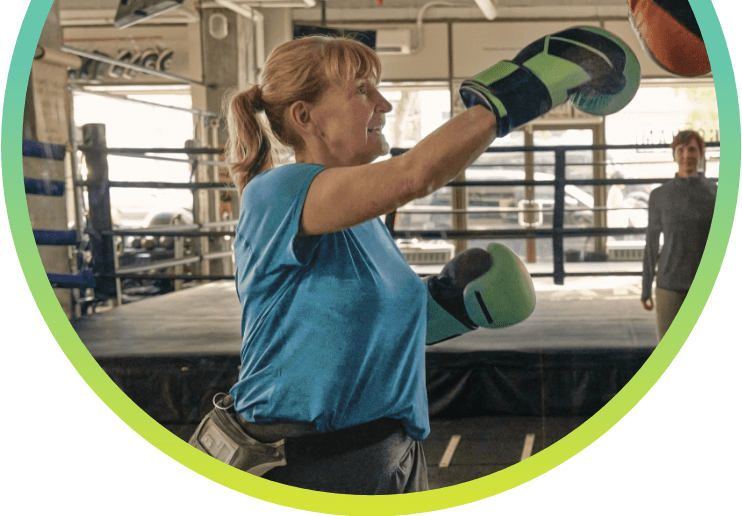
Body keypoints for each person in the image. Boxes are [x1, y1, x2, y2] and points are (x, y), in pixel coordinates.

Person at [218, 28, 638, 494]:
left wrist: (452, 304)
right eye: (362, 91)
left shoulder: (366, 221)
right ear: (305, 116)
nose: (384, 105)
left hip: (390, 456)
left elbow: (362, 324)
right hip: (302, 469)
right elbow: (413, 175)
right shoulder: (275, 194)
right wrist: (525, 87)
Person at [641, 130, 717, 342]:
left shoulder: (716, 194)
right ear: (674, 154)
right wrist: (646, 287)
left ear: (700, 153)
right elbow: (651, 245)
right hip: (669, 288)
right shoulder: (660, 196)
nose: (686, 155)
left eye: (692, 149)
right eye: (680, 150)